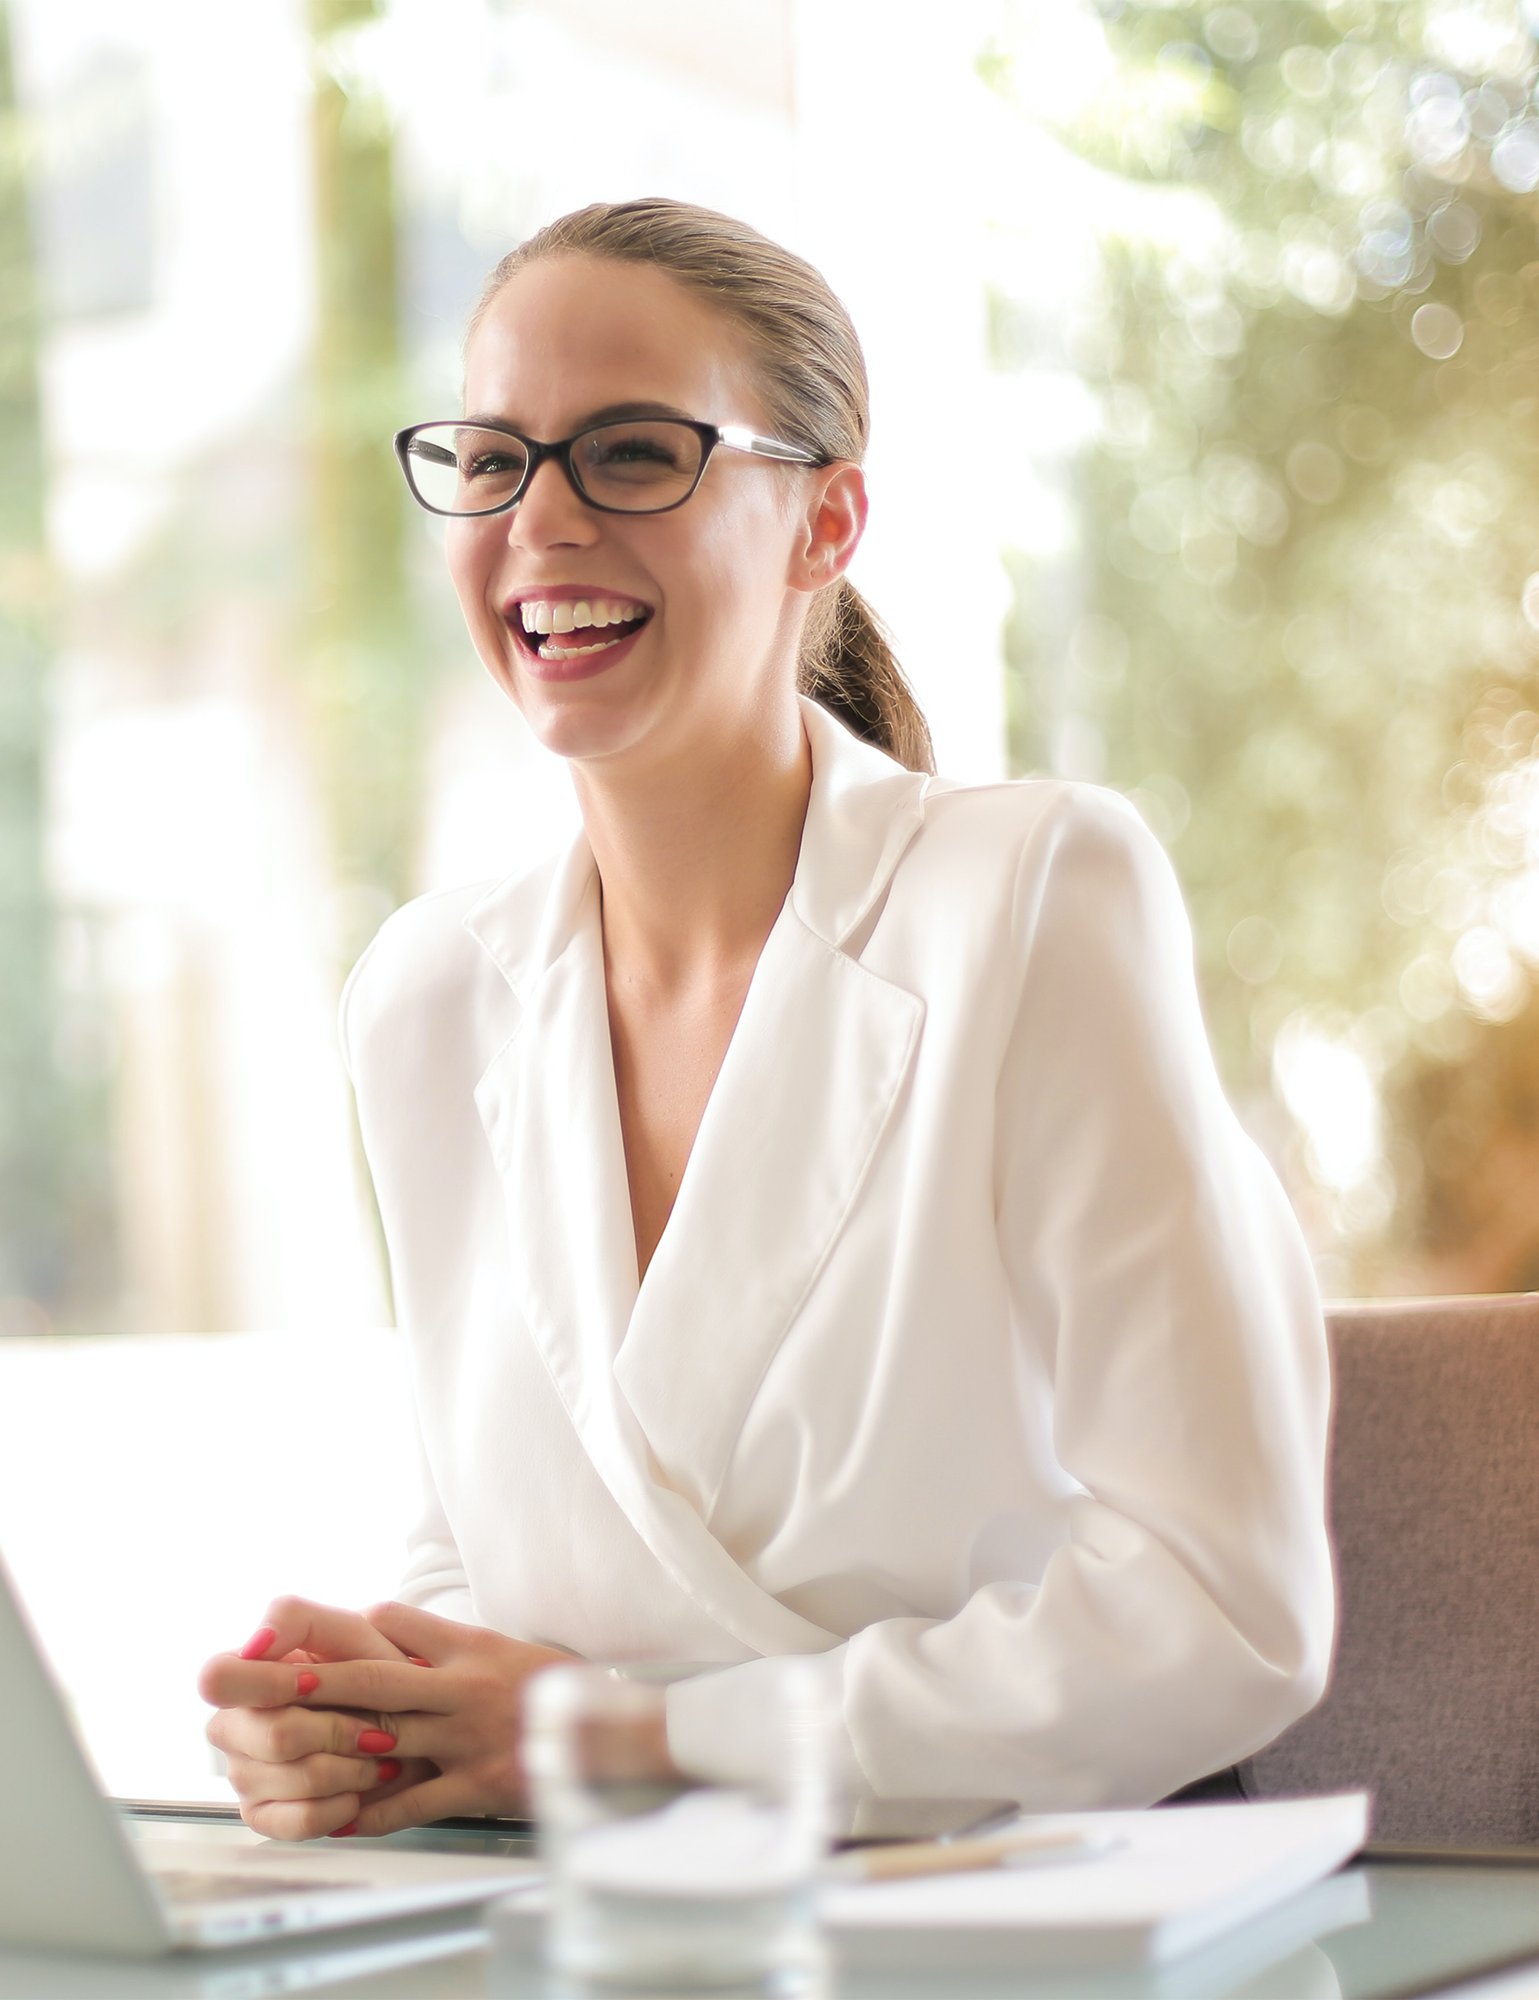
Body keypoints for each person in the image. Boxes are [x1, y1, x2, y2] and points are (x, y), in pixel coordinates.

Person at [198, 198, 1333, 1841]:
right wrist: (375, 1717)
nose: (542, 520)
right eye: (494, 457)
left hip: (1019, 1901)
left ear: (827, 518)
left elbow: (1225, 1611)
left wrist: (633, 1739)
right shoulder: (427, 1000)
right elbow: (489, 1539)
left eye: (635, 453)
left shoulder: (1030, 899)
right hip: (631, 1915)